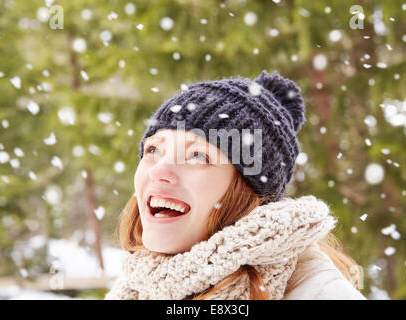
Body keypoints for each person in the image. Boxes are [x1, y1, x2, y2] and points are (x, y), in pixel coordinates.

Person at [104, 70, 366, 300]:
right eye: (153, 150)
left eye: (198, 156)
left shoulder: (319, 293)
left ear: (250, 192)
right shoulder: (136, 289)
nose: (159, 170)